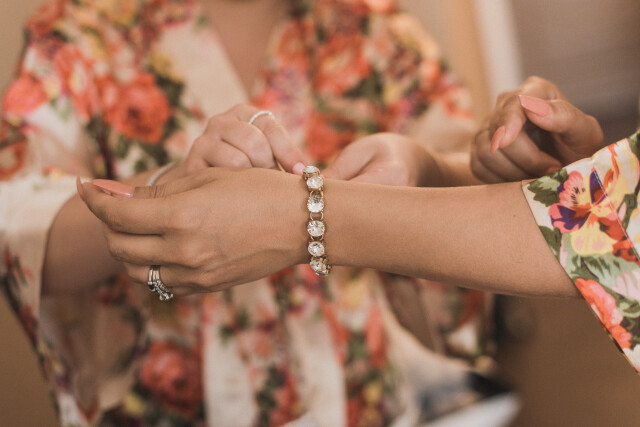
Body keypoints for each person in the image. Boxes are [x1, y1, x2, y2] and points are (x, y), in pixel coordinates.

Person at [0, 0, 503, 425]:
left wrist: (431, 164)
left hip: (366, 399)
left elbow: (474, 192)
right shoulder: (81, 34)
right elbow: (19, 227)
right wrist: (166, 192)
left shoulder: (374, 31)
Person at [79, 77, 640, 375]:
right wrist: (425, 164)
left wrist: (304, 217)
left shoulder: (373, 27)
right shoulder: (76, 38)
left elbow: (606, 231)